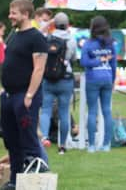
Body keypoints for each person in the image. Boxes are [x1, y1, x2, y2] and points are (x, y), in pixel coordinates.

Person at [0, 0, 49, 189]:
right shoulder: (15, 35)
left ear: (25, 14)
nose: (10, 16)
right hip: (9, 96)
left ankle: (34, 182)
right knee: (11, 141)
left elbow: (39, 69)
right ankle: (15, 181)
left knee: (28, 140)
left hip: (25, 97)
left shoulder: (36, 37)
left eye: (14, 13)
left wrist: (29, 96)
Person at [39, 12, 77, 155]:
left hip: (48, 78)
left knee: (46, 110)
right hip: (65, 79)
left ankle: (44, 139)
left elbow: (37, 35)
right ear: (67, 25)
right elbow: (73, 58)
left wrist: (47, 24)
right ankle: (62, 145)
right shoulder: (71, 40)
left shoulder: (48, 38)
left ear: (54, 24)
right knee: (64, 112)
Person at [80, 16, 116, 153]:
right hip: (107, 78)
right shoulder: (110, 44)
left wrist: (96, 61)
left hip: (93, 79)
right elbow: (113, 64)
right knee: (107, 111)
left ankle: (91, 146)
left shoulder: (88, 44)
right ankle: (106, 145)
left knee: (92, 111)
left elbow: (84, 62)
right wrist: (113, 80)